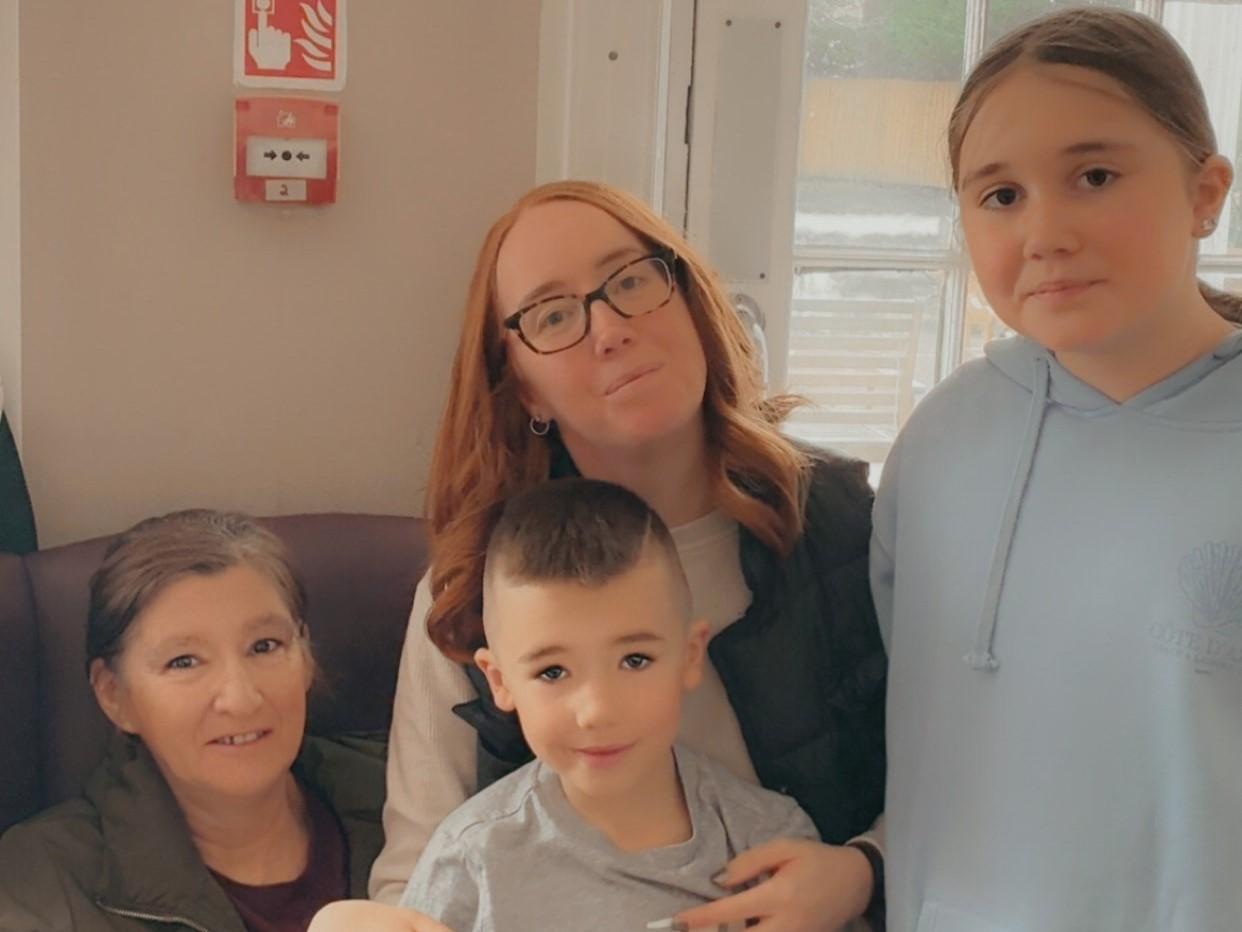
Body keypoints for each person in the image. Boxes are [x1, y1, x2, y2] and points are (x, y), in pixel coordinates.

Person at [369, 180, 888, 930]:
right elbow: (415, 877)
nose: (608, 327)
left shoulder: (848, 529)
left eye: (631, 281)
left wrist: (862, 869)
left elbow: (971, 782)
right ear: (526, 391)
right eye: (553, 314)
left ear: (690, 300)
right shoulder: (470, 592)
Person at [871, 9, 1242, 931]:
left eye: (1095, 176)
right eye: (999, 196)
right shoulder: (940, 440)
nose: (1045, 232)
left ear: (1208, 192)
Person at [404, 477, 819, 930]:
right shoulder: (469, 860)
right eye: (552, 672)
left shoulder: (768, 843)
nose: (597, 710)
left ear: (689, 655)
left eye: (635, 660)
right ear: (500, 681)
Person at [0, 509, 388, 931]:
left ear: (306, 657)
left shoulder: (413, 803)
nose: (240, 700)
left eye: (264, 646)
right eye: (184, 661)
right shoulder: (42, 881)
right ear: (114, 695)